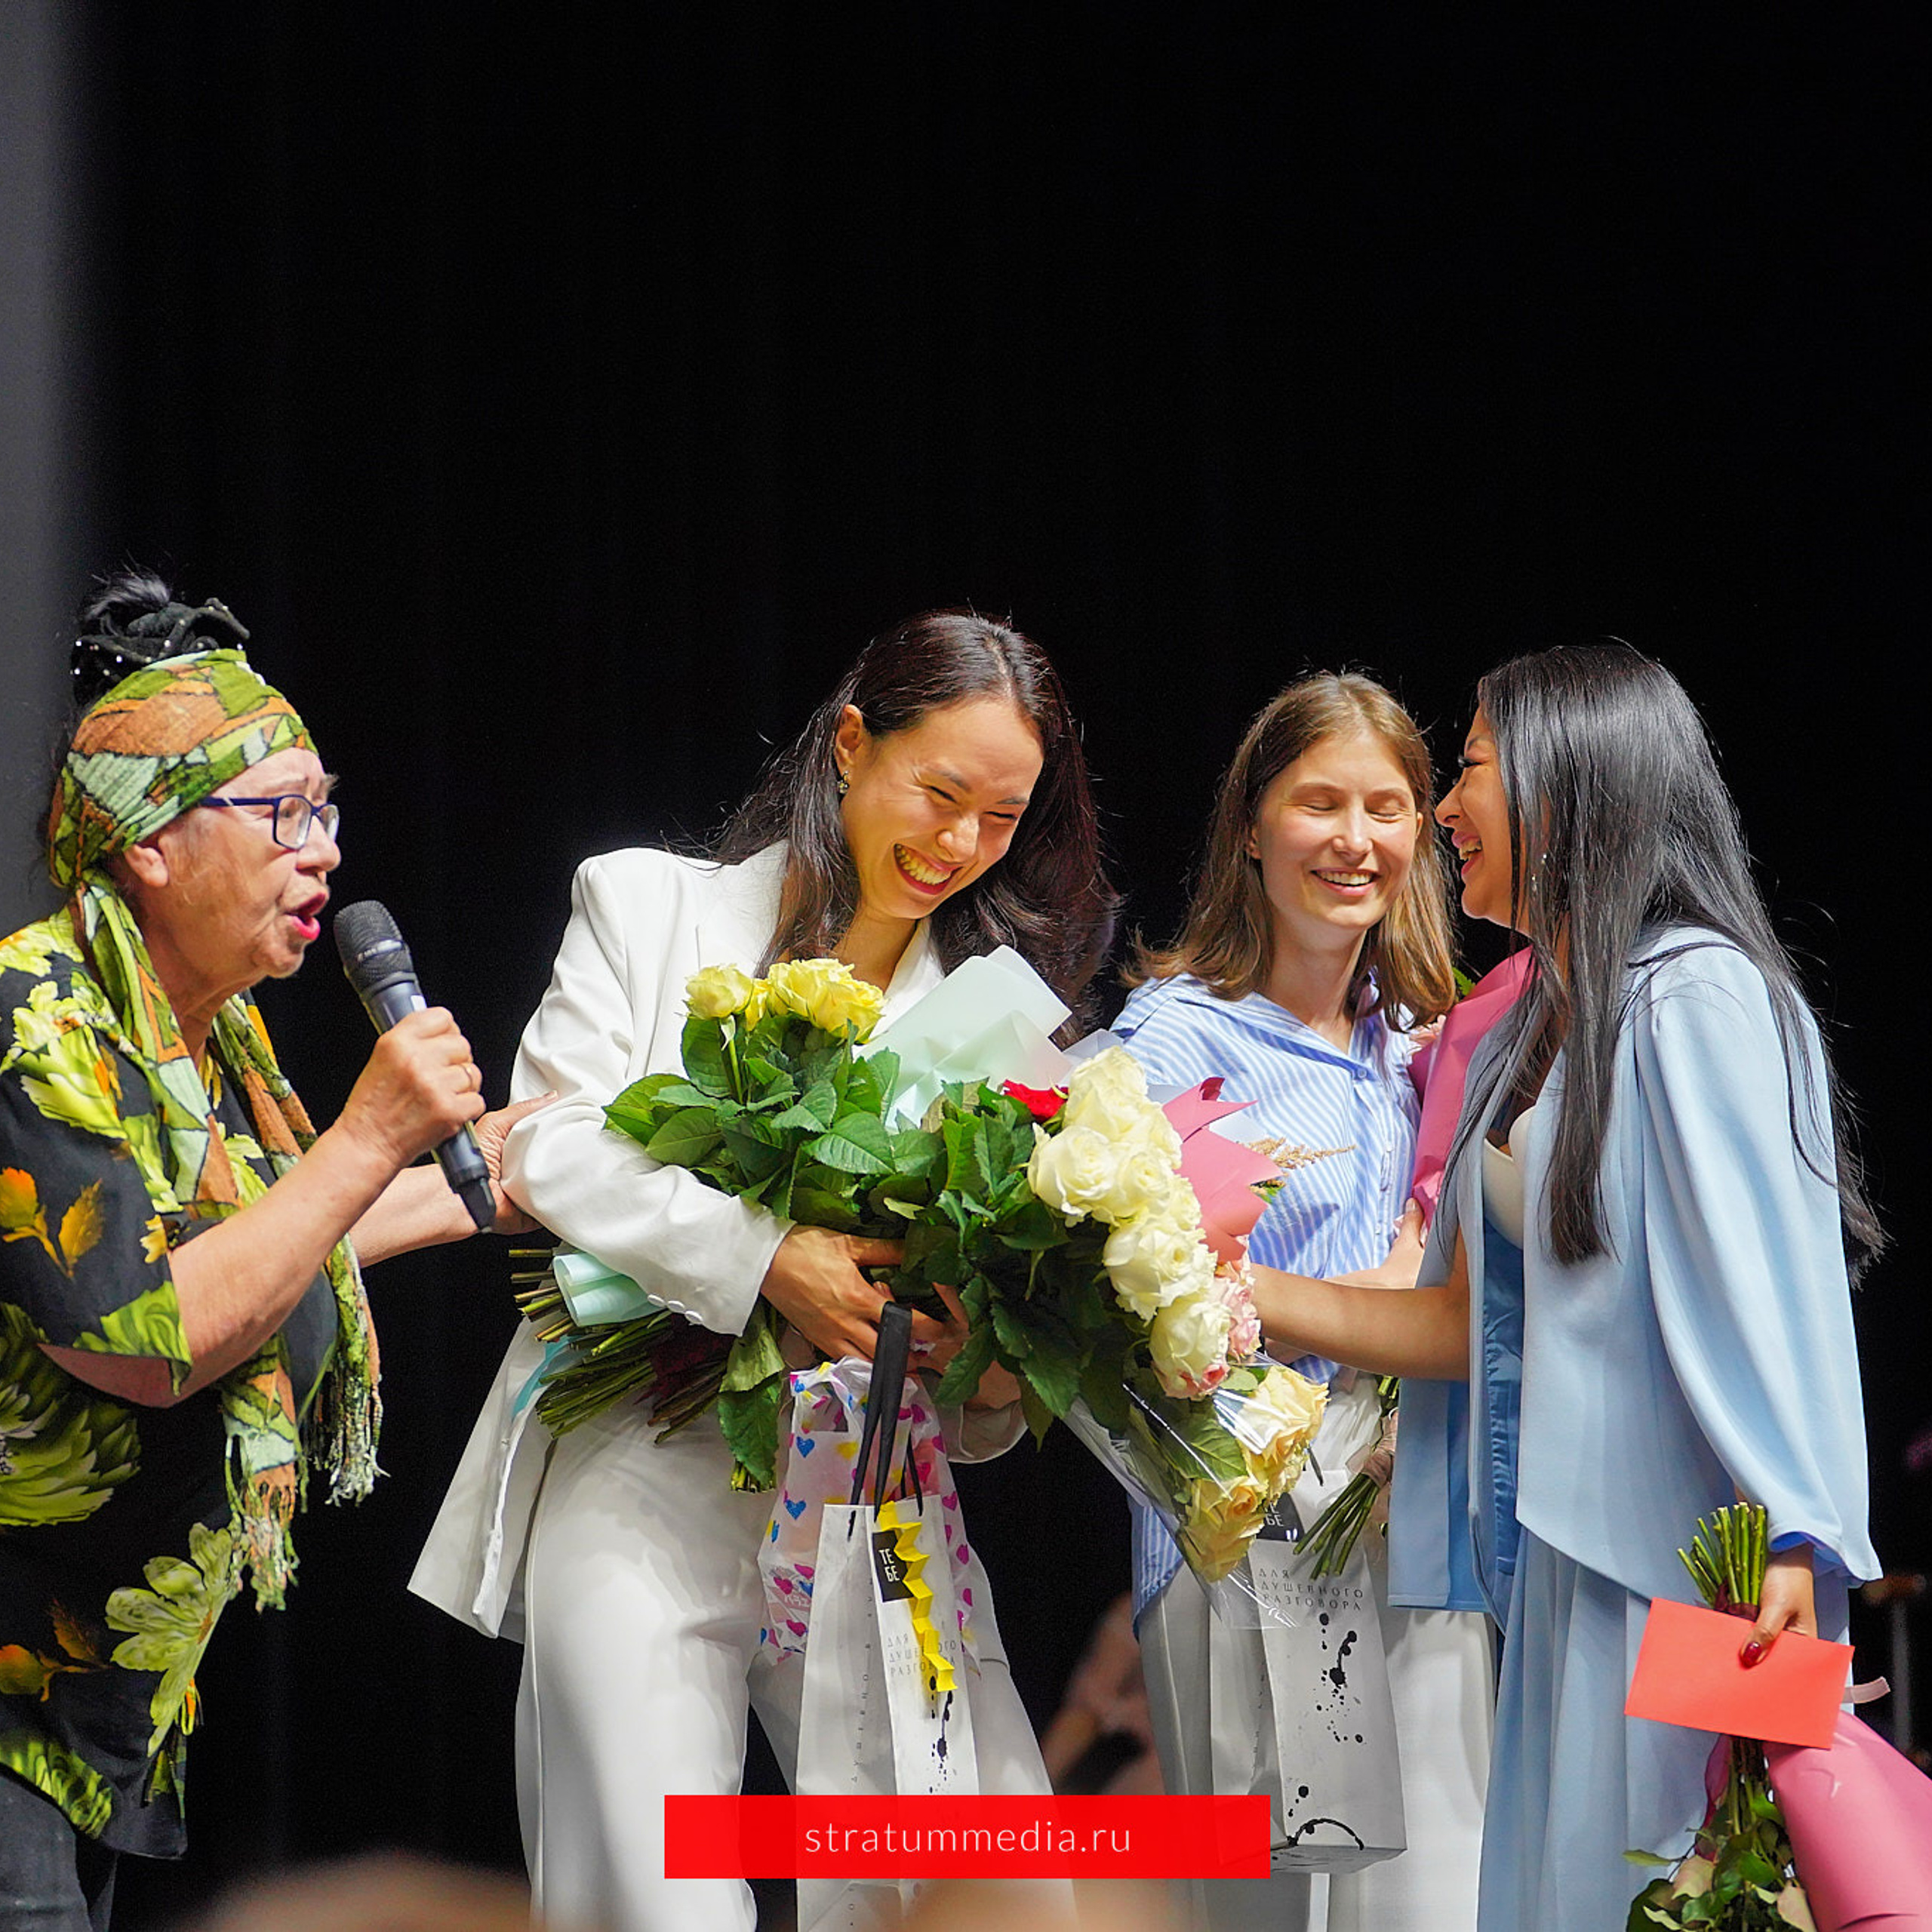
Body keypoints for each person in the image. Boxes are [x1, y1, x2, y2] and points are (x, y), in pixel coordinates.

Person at [413, 610, 1117, 1932]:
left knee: (986, 1891)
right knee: (651, 1893)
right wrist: (767, 1258)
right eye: (941, 792)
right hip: (643, 1458)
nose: (961, 843)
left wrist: (980, 1358)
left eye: (1003, 818)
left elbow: (991, 1387)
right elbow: (551, 1141)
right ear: (851, 745)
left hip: (872, 1493)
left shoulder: (1009, 1028)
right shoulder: (650, 905)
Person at [1247, 645, 1880, 1930]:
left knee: (1664, 1890)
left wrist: (1798, 1535)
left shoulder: (1696, 994)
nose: (1443, 810)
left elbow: (1774, 1290)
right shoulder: (1540, 1029)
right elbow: (1456, 1323)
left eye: (1471, 768)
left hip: (1688, 1572)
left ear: (1567, 782)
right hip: (1556, 1564)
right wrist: (1233, 1291)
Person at [0, 576, 537, 1931]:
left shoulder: (214, 1041)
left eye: (327, 811)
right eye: (283, 815)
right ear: (148, 844)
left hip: (100, 1714)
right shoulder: (31, 1019)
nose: (324, 855)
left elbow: (275, 1247)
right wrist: (369, 1134)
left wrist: (490, 1186)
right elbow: (144, 1336)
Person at [1110, 674, 1491, 1932]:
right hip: (1241, 1530)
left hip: (1413, 1517)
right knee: (1259, 1907)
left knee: (1432, 1897)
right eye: (1319, 803)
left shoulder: (1429, 1043)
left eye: (1387, 808)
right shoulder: (1172, 1040)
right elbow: (1131, 1300)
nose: (1354, 839)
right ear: (1250, 826)